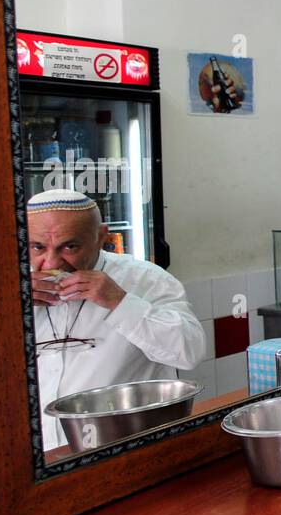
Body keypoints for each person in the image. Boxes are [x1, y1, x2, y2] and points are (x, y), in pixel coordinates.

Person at [28, 189, 205, 452]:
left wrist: (119, 301)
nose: (51, 262)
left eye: (70, 246)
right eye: (38, 247)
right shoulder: (12, 286)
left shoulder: (146, 280)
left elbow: (189, 351)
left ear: (101, 237)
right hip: (41, 455)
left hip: (127, 446)